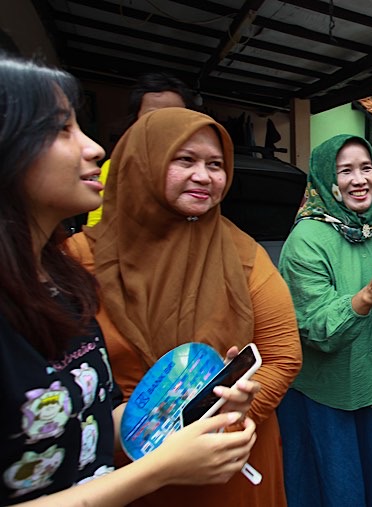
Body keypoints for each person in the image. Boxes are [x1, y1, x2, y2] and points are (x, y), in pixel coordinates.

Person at [0, 56, 256, 506]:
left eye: (215, 163)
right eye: (63, 129)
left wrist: (193, 412)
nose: (97, 147)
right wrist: (158, 470)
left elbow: (88, 421)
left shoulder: (63, 281)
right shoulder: (89, 258)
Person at [66, 107, 302, 506]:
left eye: (215, 164)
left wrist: (221, 426)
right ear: (143, 164)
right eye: (185, 160)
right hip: (128, 471)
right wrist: (150, 443)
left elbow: (282, 355)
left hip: (228, 461)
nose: (204, 176)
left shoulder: (241, 253)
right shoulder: (77, 260)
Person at [277, 134, 372, 507]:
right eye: (346, 171)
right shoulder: (306, 239)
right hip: (327, 393)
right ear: (327, 181)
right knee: (338, 488)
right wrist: (368, 295)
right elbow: (314, 326)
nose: (360, 179)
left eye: (367, 167)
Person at [85, 72, 193, 228]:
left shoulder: (199, 169)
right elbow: (97, 225)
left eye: (176, 115)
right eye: (153, 115)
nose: (165, 122)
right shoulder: (116, 167)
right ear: (136, 119)